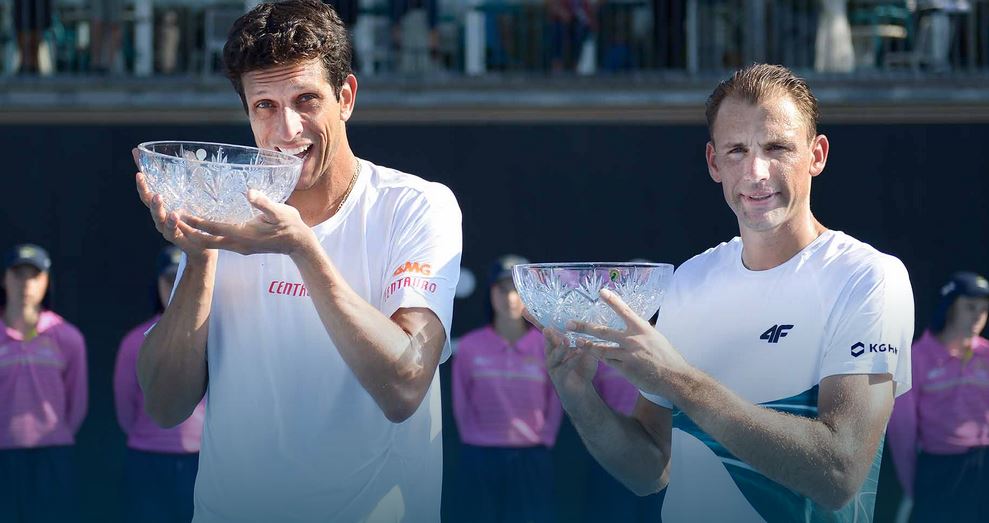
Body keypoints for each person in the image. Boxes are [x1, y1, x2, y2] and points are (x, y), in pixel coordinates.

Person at [536, 63, 914, 521]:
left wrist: (676, 379)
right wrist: (579, 395)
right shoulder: (690, 280)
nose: (756, 172)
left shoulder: (868, 277)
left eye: (777, 147)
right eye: (737, 151)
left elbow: (838, 473)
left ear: (816, 155)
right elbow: (648, 469)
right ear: (714, 163)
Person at [132, 1, 462, 521]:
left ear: (346, 97)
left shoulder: (417, 205)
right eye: (264, 105)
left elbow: (404, 384)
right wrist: (197, 259)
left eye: (306, 99)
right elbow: (164, 406)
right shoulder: (220, 213)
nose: (287, 129)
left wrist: (303, 249)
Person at [452, 254, 562, 523]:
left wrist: (543, 439)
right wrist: (475, 439)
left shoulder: (547, 345)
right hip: (480, 459)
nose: (510, 297)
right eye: (503, 289)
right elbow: (460, 402)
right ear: (491, 293)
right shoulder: (469, 346)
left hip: (530, 459)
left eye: (518, 289)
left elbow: (557, 400)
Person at [887, 271, 989, 522]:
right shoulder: (917, 358)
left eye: (984, 309)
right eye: (970, 306)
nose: (979, 315)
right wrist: (912, 483)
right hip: (941, 469)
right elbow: (902, 430)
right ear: (950, 307)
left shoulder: (986, 355)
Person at [114, 245, 206, 523]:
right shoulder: (134, 341)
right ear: (158, 285)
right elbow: (125, 406)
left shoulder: (211, 333)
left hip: (200, 459)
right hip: (147, 459)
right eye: (169, 280)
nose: (175, 287)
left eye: (182, 277)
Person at [0, 243, 87, 522]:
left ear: (46, 281)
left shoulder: (68, 337)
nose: (26, 284)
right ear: (5, 279)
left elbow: (77, 401)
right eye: (18, 274)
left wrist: (54, 433)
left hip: (53, 455)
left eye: (34, 275)